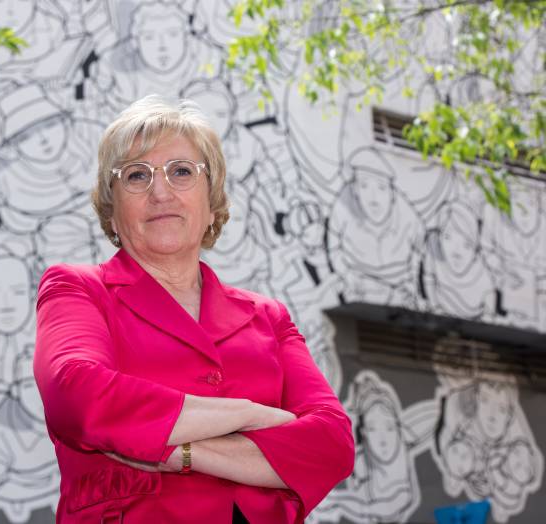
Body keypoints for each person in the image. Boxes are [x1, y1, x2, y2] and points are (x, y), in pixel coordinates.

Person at [34, 95, 354, 523]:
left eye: (181, 171)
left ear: (212, 204)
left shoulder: (268, 317)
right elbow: (77, 396)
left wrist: (180, 452)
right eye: (136, 175)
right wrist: (248, 415)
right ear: (112, 212)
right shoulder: (78, 288)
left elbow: (332, 444)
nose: (160, 191)